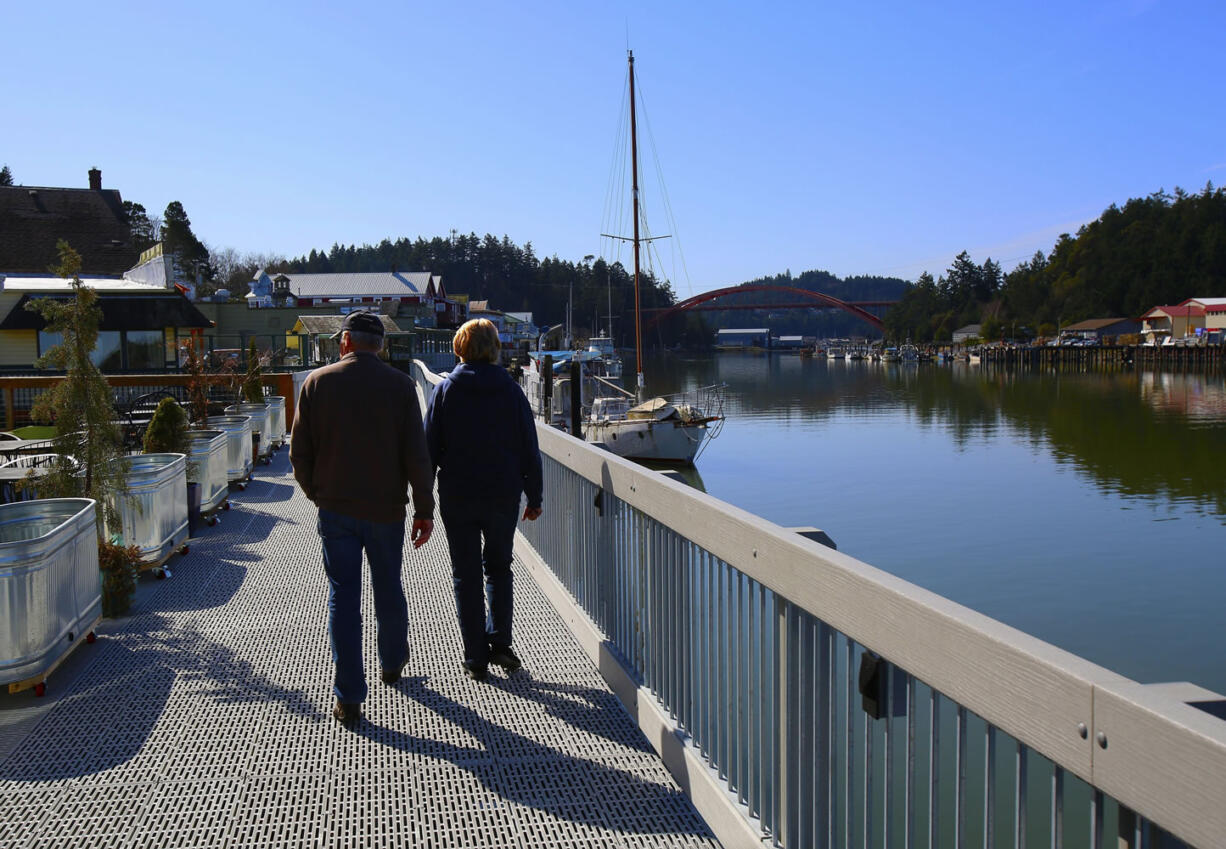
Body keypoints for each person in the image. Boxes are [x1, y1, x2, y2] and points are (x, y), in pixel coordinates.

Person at [290, 310, 434, 724]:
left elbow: (300, 454)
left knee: (343, 597)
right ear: (381, 346)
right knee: (388, 587)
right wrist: (424, 508)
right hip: (387, 510)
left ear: (346, 342)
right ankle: (392, 664)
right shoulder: (402, 386)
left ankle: (349, 696)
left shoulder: (317, 383)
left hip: (336, 510)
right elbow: (417, 456)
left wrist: (319, 494)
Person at [425, 318, 542, 681]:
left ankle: (475, 656)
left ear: (459, 348)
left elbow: (428, 449)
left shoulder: (445, 391)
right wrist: (534, 496)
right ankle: (501, 642)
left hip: (458, 494)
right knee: (499, 567)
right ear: (494, 349)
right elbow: (529, 448)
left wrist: (423, 504)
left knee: (466, 574)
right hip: (502, 494)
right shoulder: (512, 392)